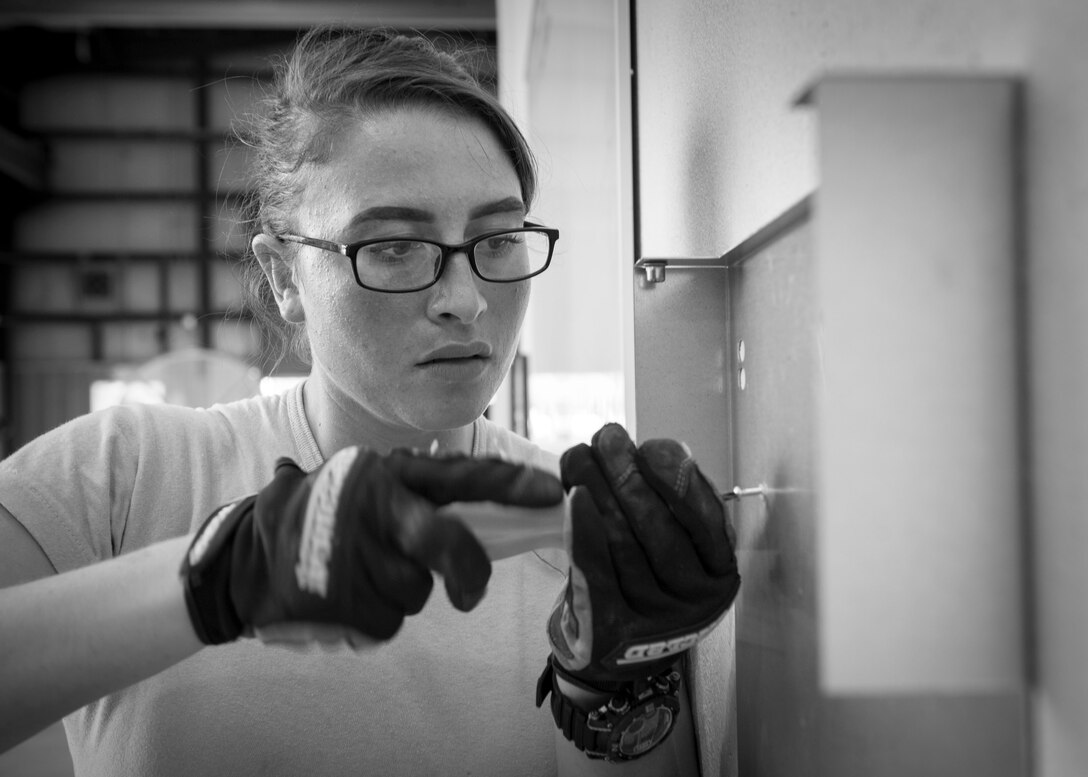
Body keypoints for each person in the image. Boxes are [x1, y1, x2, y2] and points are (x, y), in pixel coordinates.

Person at [0, 27, 739, 776]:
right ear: (286, 277)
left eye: (500, 236)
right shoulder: (131, 474)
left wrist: (607, 683)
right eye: (391, 245)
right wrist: (213, 579)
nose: (465, 300)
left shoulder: (576, 537)